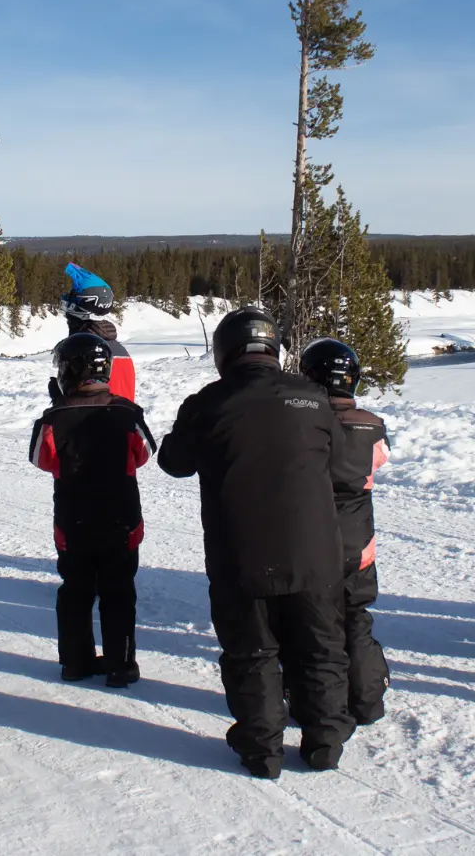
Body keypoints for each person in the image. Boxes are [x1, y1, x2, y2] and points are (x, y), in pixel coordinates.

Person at [158, 306, 355, 779]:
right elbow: (344, 467)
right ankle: (325, 742)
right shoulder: (313, 398)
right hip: (315, 555)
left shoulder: (207, 402)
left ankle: (262, 750)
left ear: (225, 352)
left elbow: (173, 462)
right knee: (321, 648)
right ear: (273, 349)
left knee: (252, 652)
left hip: (240, 554)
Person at [29, 333, 158, 687]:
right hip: (121, 521)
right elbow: (145, 452)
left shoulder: (55, 418)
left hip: (74, 524)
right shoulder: (127, 413)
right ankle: (121, 665)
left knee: (76, 591)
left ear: (69, 371)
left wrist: (59, 410)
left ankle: (75, 662)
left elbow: (40, 458)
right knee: (119, 592)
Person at [299, 337, 391, 725]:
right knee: (356, 618)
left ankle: (319, 704)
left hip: (311, 541)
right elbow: (380, 459)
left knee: (313, 625)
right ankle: (367, 701)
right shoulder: (372, 424)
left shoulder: (302, 422)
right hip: (359, 542)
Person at [60, 263, 135, 401]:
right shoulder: (120, 350)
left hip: (95, 414)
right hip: (121, 413)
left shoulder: (84, 353)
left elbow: (88, 403)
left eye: (72, 295)